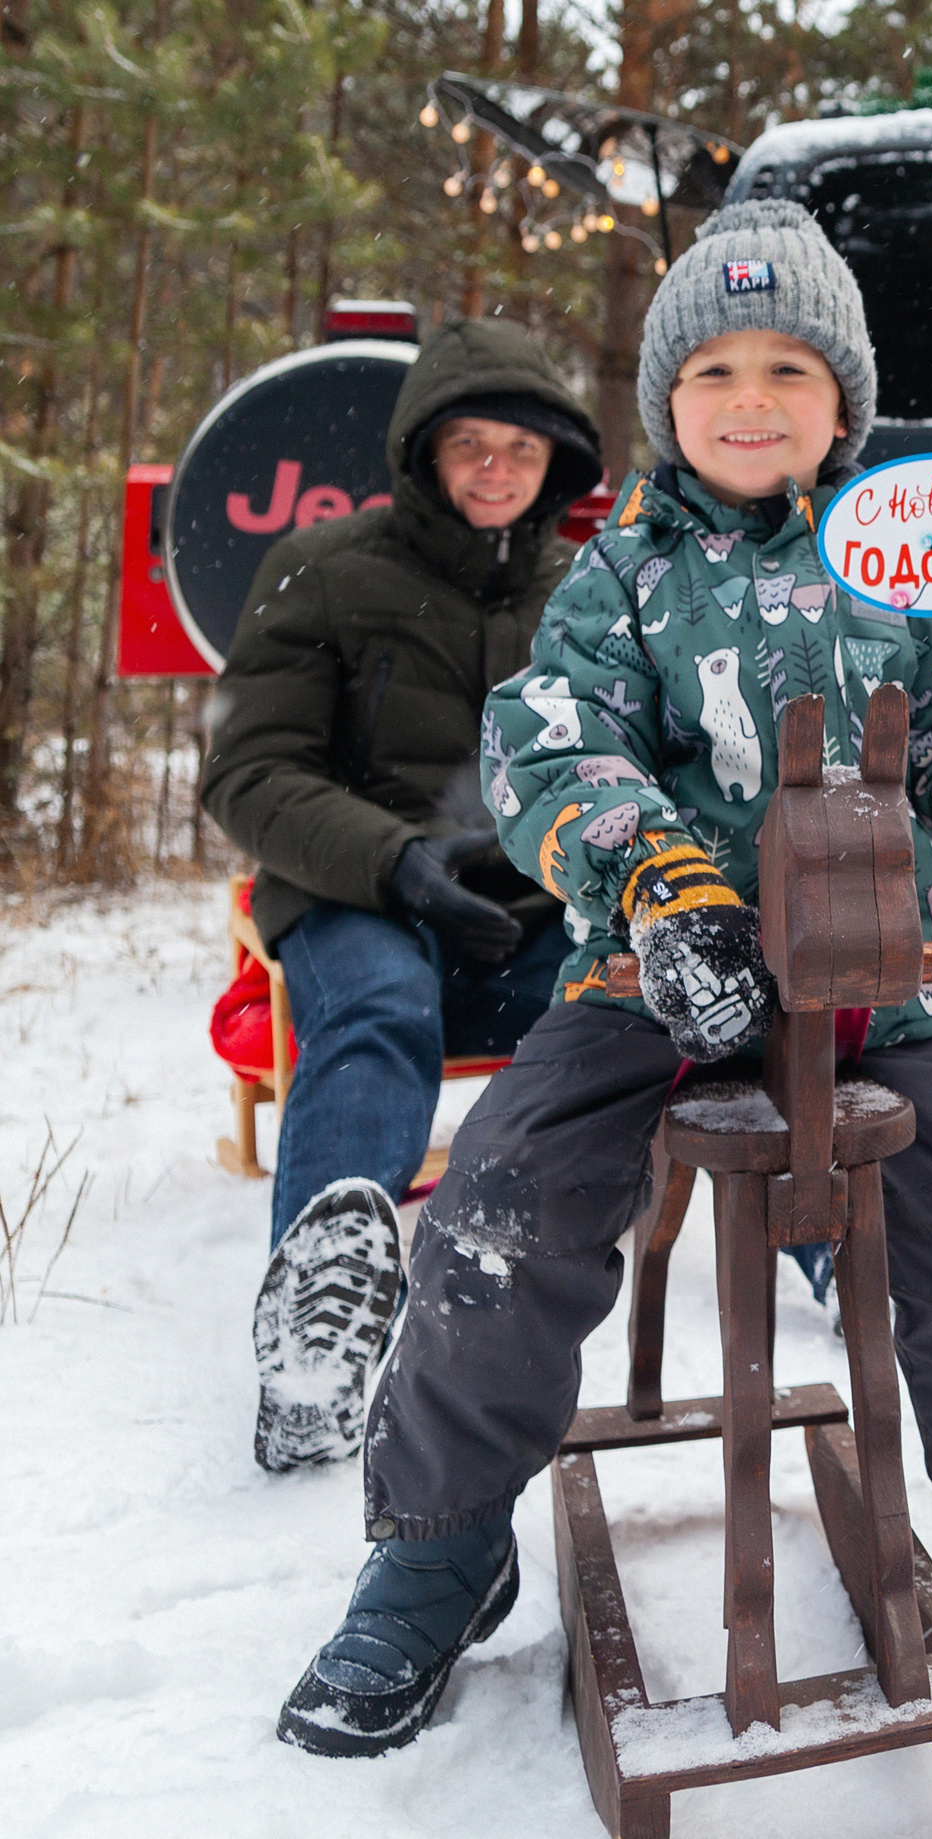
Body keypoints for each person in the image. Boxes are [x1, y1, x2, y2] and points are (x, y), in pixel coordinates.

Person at [275, 199, 932, 1759]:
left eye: (790, 368)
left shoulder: (921, 575)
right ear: (667, 400)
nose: (752, 400)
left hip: (890, 988)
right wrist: (661, 886)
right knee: (499, 1204)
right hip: (656, 981)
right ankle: (439, 1543)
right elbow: (550, 746)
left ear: (844, 400)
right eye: (715, 372)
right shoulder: (618, 579)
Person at [202, 319, 604, 1475]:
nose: (495, 468)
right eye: (469, 443)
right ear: (423, 451)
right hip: (363, 893)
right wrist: (392, 862)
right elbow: (248, 771)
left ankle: (836, 1233)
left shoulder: (589, 591)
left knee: (666, 986)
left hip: (532, 909)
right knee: (378, 1009)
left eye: (520, 448)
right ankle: (316, 1342)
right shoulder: (324, 570)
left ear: (555, 465)